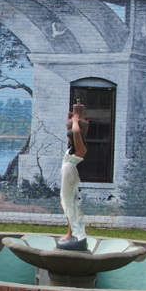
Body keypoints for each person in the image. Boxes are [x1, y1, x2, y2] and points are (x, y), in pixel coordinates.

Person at [57, 104, 88, 251]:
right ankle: (70, 232)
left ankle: (74, 232)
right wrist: (70, 118)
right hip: (67, 174)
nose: (69, 138)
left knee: (69, 203)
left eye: (70, 137)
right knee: (67, 203)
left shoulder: (81, 149)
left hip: (69, 175)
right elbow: (72, 130)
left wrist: (75, 121)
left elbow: (75, 131)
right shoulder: (72, 148)